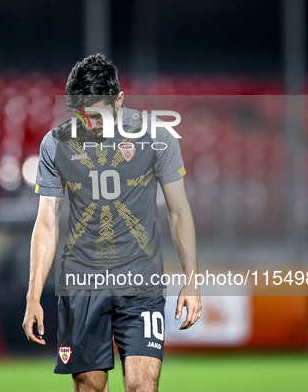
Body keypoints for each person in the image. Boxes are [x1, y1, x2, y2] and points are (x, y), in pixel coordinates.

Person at [22, 53, 201, 392]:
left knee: (141, 387)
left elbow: (179, 211)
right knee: (90, 387)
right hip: (81, 283)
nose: (91, 123)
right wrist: (33, 297)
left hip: (141, 284)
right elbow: (46, 222)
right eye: (82, 114)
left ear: (120, 99)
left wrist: (191, 281)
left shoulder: (157, 137)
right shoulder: (55, 144)